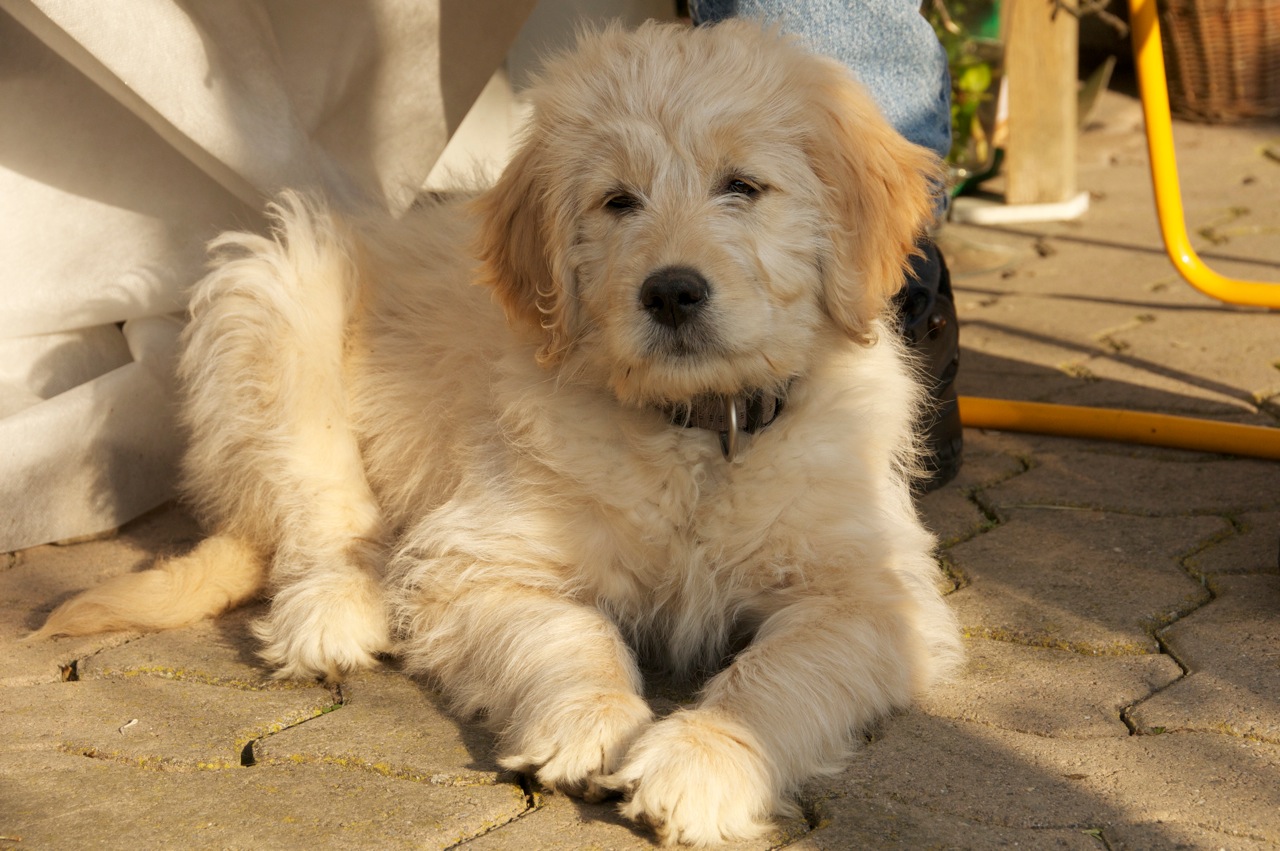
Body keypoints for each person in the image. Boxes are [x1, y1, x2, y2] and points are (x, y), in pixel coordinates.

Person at [690, 0, 963, 491]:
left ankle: (900, 294)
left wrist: (863, 278)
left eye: (743, 188)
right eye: (622, 201)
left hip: (826, 379)